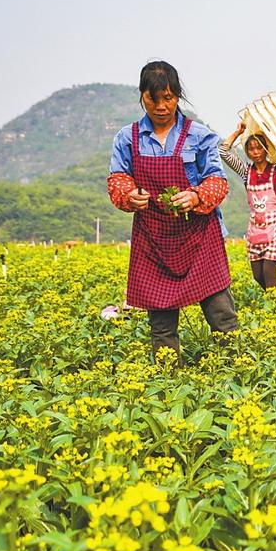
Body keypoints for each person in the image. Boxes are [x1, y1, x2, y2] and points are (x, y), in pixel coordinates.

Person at [107, 61, 238, 357]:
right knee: (161, 325)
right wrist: (129, 195)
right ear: (142, 96)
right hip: (154, 240)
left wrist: (195, 196)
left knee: (222, 315)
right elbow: (117, 180)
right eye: (154, 98)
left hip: (199, 238)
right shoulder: (127, 138)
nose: (162, 106)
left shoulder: (200, 135)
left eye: (168, 98)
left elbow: (218, 181)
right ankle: (169, 380)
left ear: (178, 96)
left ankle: (234, 370)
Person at [219, 122, 276, 289]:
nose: (255, 152)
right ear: (247, 152)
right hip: (256, 226)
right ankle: (274, 300)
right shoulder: (246, 172)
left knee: (269, 271)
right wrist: (238, 132)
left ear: (266, 149)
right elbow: (223, 152)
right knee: (258, 275)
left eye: (259, 148)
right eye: (251, 149)